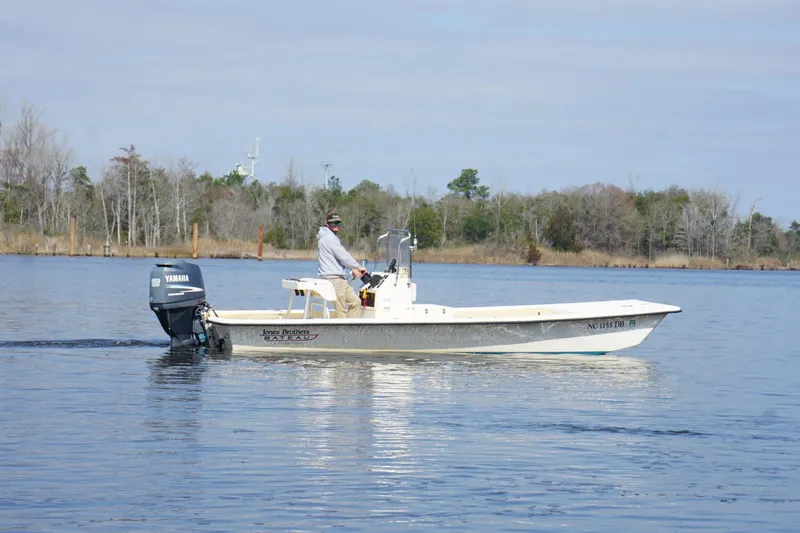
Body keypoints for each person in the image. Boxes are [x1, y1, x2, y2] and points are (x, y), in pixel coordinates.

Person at [317, 212, 367, 318]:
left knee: (356, 302)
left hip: (341, 279)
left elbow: (337, 260)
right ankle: (342, 333)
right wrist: (358, 267)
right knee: (341, 310)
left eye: (338, 223)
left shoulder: (330, 238)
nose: (336, 225)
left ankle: (350, 331)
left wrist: (352, 271)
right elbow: (344, 256)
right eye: (333, 223)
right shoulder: (328, 238)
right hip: (334, 280)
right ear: (327, 224)